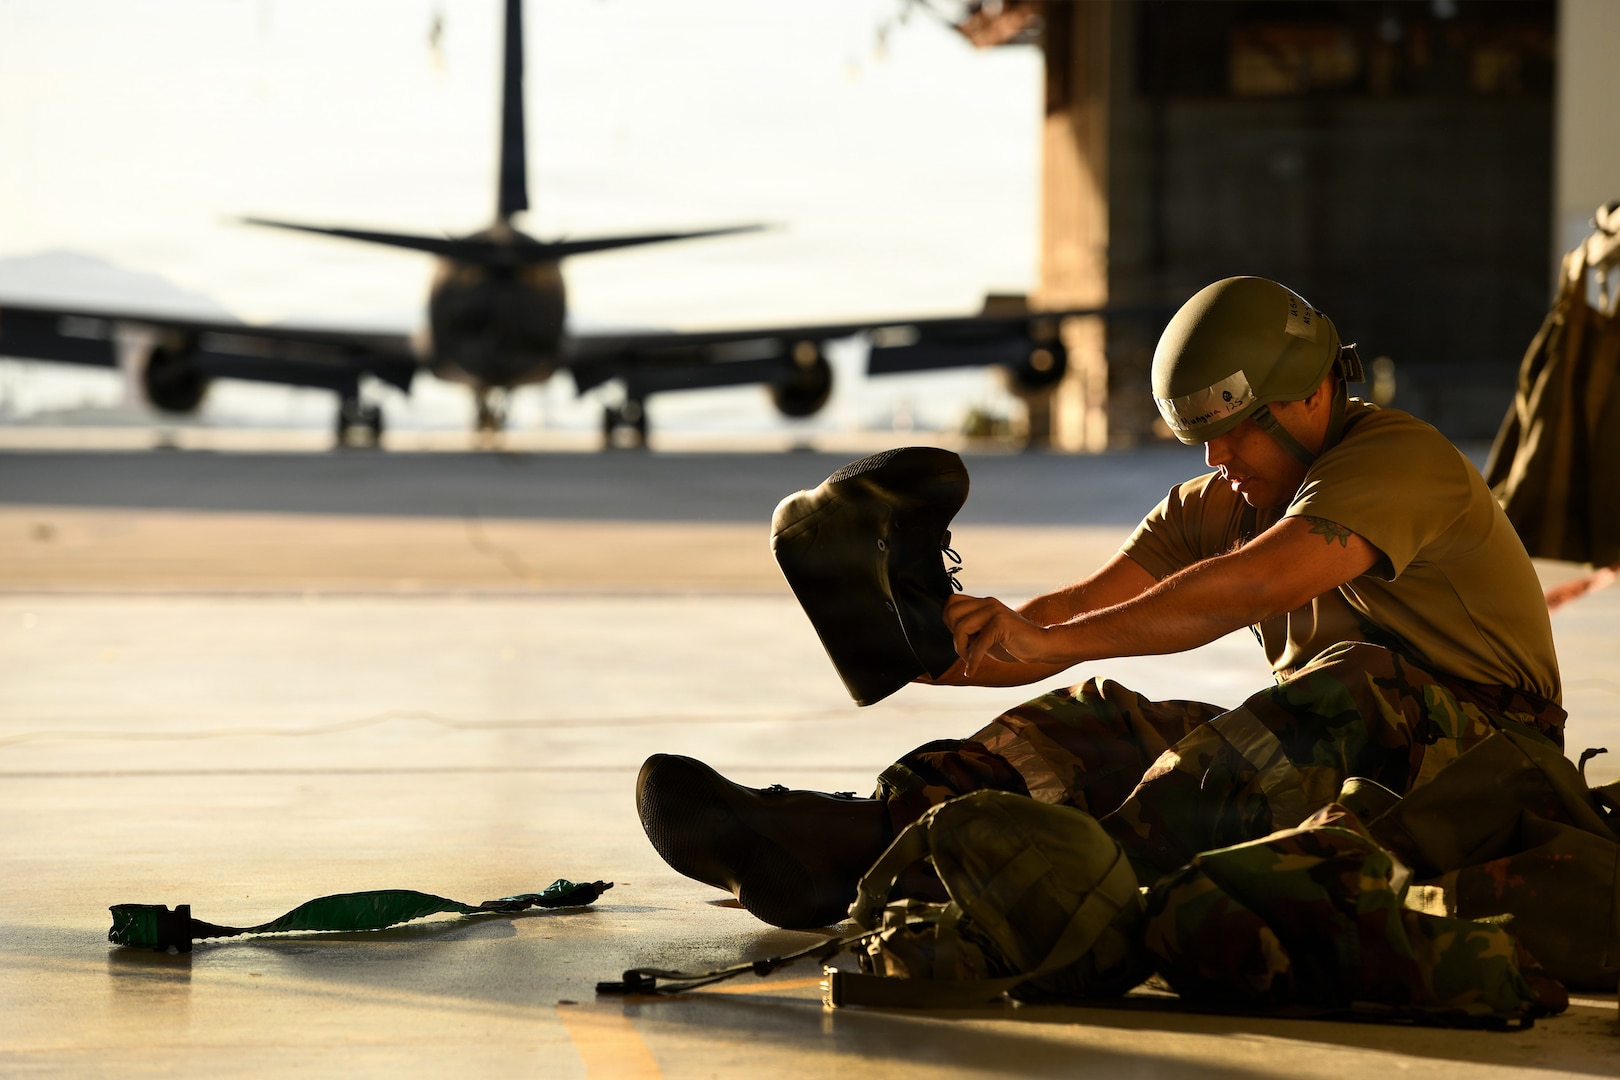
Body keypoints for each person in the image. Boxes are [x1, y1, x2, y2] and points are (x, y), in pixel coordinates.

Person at [636, 276, 1565, 930]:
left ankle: (1033, 877)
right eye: (1198, 440)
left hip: (1491, 764)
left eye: (1235, 433)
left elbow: (1251, 584)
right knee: (1101, 725)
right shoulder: (1225, 500)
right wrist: (977, 638)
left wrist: (1062, 641)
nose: (1215, 460)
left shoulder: (1396, 458)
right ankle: (855, 837)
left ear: (1314, 395)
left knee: (1342, 690)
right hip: (1350, 749)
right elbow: (1088, 605)